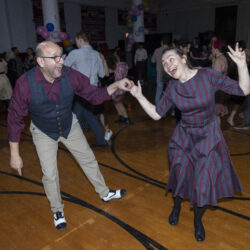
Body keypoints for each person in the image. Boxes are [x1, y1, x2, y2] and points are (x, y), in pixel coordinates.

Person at [129, 43, 249, 242]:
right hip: (183, 138)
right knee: (180, 176)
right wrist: (139, 96)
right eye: (164, 63)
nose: (167, 65)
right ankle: (176, 206)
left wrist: (242, 65)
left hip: (208, 137)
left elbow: (243, 90)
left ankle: (197, 220)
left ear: (183, 58)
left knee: (203, 183)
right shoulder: (172, 87)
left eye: (170, 59)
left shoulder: (207, 76)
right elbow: (158, 114)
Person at [8, 41, 132, 231]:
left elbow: (94, 95)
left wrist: (115, 84)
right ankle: (57, 210)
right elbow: (15, 118)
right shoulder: (25, 83)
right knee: (50, 175)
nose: (61, 61)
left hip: (69, 125)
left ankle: (105, 193)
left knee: (89, 159)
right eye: (55, 58)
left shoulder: (70, 75)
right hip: (43, 131)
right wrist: (15, 154)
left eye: (61, 56)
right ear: (40, 61)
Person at [64, 31, 111, 147]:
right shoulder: (96, 54)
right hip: (93, 90)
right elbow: (101, 74)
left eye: (76, 41)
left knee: (75, 118)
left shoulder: (74, 53)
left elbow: (63, 69)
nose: (76, 44)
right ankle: (101, 142)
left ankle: (75, 143)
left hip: (81, 91)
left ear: (80, 39)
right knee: (89, 116)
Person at [151, 36, 169, 106]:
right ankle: (173, 109)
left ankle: (158, 107)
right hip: (170, 74)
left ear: (161, 42)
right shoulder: (171, 50)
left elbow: (152, 61)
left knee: (159, 90)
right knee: (171, 91)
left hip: (159, 73)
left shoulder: (157, 50)